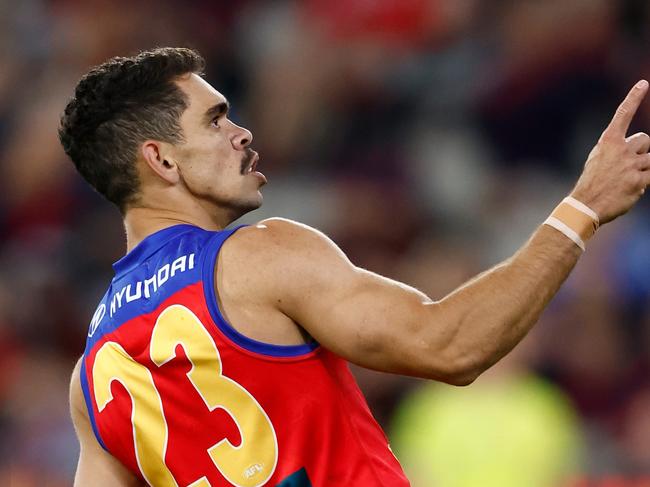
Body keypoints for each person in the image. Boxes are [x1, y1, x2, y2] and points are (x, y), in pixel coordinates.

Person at [59, 47, 649, 487]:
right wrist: (582, 209)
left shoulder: (91, 378)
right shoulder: (258, 258)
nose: (241, 134)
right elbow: (451, 345)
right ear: (160, 159)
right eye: (214, 120)